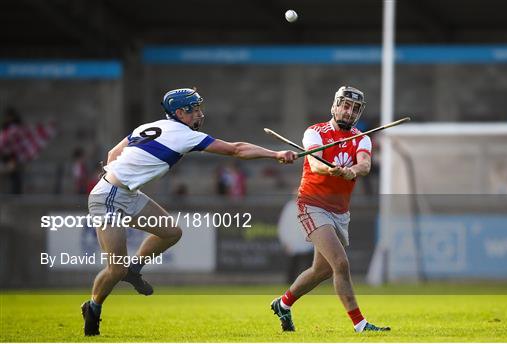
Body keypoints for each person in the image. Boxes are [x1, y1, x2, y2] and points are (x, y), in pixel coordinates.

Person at [82, 88, 296, 336]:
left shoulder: (148, 127)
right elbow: (236, 149)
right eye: (194, 110)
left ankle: (135, 269)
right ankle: (93, 308)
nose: (200, 114)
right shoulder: (184, 136)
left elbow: (112, 154)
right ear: (180, 112)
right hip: (107, 198)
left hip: (126, 194)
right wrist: (276, 154)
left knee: (171, 232)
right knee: (115, 269)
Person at [270, 86, 390, 333]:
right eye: (345, 106)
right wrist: (331, 169)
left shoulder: (362, 138)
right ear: (335, 106)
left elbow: (365, 165)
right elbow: (314, 163)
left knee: (321, 270)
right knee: (340, 263)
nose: (349, 112)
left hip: (339, 211)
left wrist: (351, 171)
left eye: (355, 108)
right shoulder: (315, 132)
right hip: (311, 203)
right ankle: (360, 324)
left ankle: (283, 304)